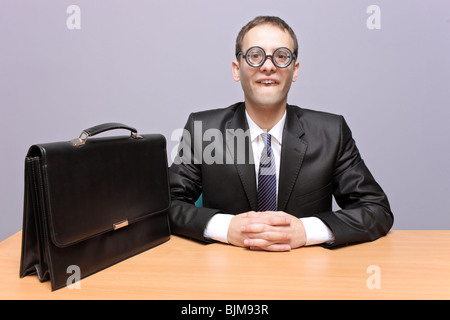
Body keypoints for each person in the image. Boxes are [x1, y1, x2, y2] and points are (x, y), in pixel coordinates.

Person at [168, 16, 393, 251]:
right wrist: (227, 228)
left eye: (281, 56)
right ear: (237, 69)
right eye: (255, 55)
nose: (268, 66)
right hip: (227, 274)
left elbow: (377, 210)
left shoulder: (331, 133)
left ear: (294, 70)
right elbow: (167, 204)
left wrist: (306, 231)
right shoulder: (204, 130)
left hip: (306, 275)